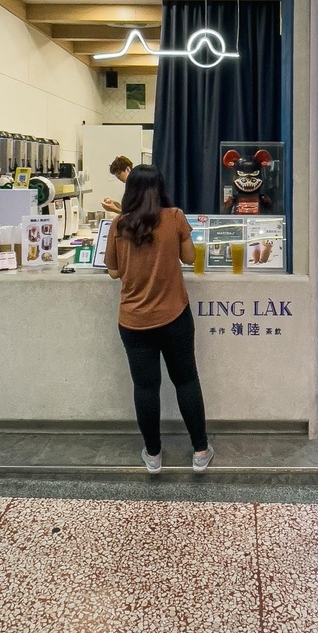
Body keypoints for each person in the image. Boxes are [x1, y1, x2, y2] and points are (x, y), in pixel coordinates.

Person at [104, 165, 213, 474]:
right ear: (160, 189)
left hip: (133, 321)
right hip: (175, 316)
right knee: (186, 379)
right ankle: (200, 451)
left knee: (145, 387)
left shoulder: (119, 225)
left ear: (130, 191)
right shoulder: (175, 217)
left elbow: (113, 271)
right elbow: (190, 258)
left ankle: (153, 456)